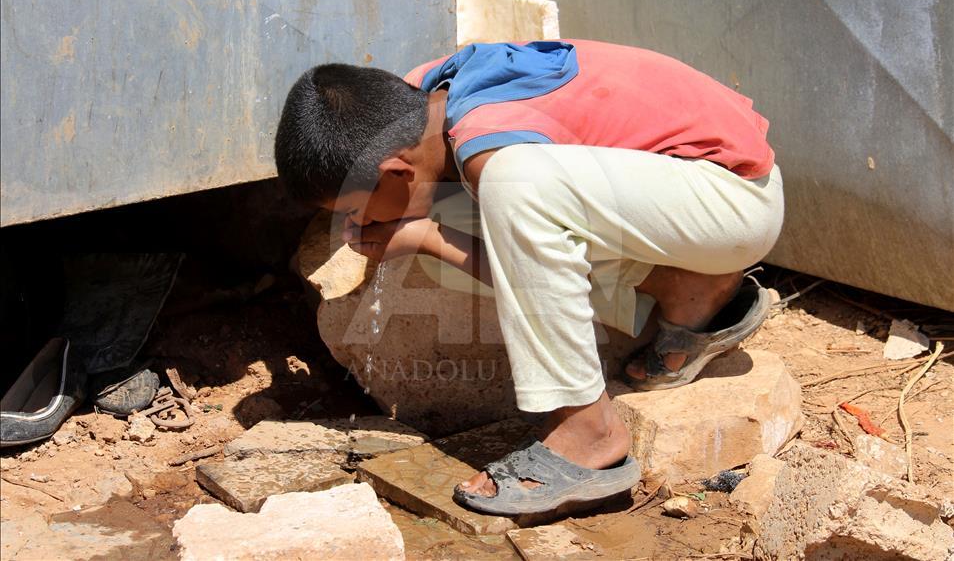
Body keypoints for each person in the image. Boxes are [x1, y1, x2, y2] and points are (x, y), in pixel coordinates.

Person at [273, 39, 784, 516]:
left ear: (398, 173)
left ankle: (589, 430)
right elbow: (525, 262)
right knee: (453, 225)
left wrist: (425, 233)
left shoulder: (488, 150)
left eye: (356, 208)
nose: (356, 225)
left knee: (509, 188)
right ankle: (685, 292)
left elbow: (522, 235)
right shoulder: (426, 96)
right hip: (673, 189)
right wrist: (425, 236)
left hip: (735, 199)